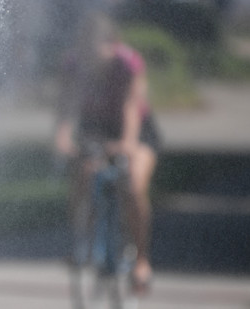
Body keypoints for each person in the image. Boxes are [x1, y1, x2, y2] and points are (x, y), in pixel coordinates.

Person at [55, 12, 159, 296]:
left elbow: (130, 107)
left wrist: (127, 142)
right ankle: (82, 242)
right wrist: (63, 136)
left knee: (134, 184)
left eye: (97, 49)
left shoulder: (127, 64)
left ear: (112, 45)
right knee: (84, 175)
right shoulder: (74, 65)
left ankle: (141, 260)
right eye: (85, 49)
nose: (92, 57)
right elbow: (68, 105)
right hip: (96, 129)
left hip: (135, 130)